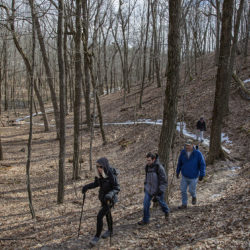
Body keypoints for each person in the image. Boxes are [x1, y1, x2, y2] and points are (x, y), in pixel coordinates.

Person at [82, 157, 120, 247]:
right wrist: (86, 187)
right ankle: (110, 230)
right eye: (97, 166)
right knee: (107, 214)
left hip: (110, 199)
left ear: (105, 166)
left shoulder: (111, 174)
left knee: (99, 216)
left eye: (100, 166)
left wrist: (110, 195)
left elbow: (117, 188)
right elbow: (96, 184)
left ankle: (96, 237)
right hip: (103, 198)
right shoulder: (99, 174)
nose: (98, 168)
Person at [138, 152, 170, 225]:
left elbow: (164, 181)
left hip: (158, 190)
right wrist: (145, 186)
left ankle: (167, 211)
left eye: (149, 160)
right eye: (147, 160)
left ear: (153, 159)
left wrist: (160, 192)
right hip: (148, 190)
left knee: (161, 203)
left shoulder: (159, 167)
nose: (148, 162)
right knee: (145, 204)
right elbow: (147, 178)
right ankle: (145, 220)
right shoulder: (147, 167)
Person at [176, 140, 206, 209]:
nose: (187, 147)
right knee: (183, 190)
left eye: (189, 145)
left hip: (194, 176)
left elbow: (202, 164)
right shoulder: (183, 152)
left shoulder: (198, 153)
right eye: (186, 145)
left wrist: (202, 174)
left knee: (191, 190)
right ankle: (184, 204)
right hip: (184, 175)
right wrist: (177, 172)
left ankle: (194, 196)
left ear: (192, 145)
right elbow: (179, 163)